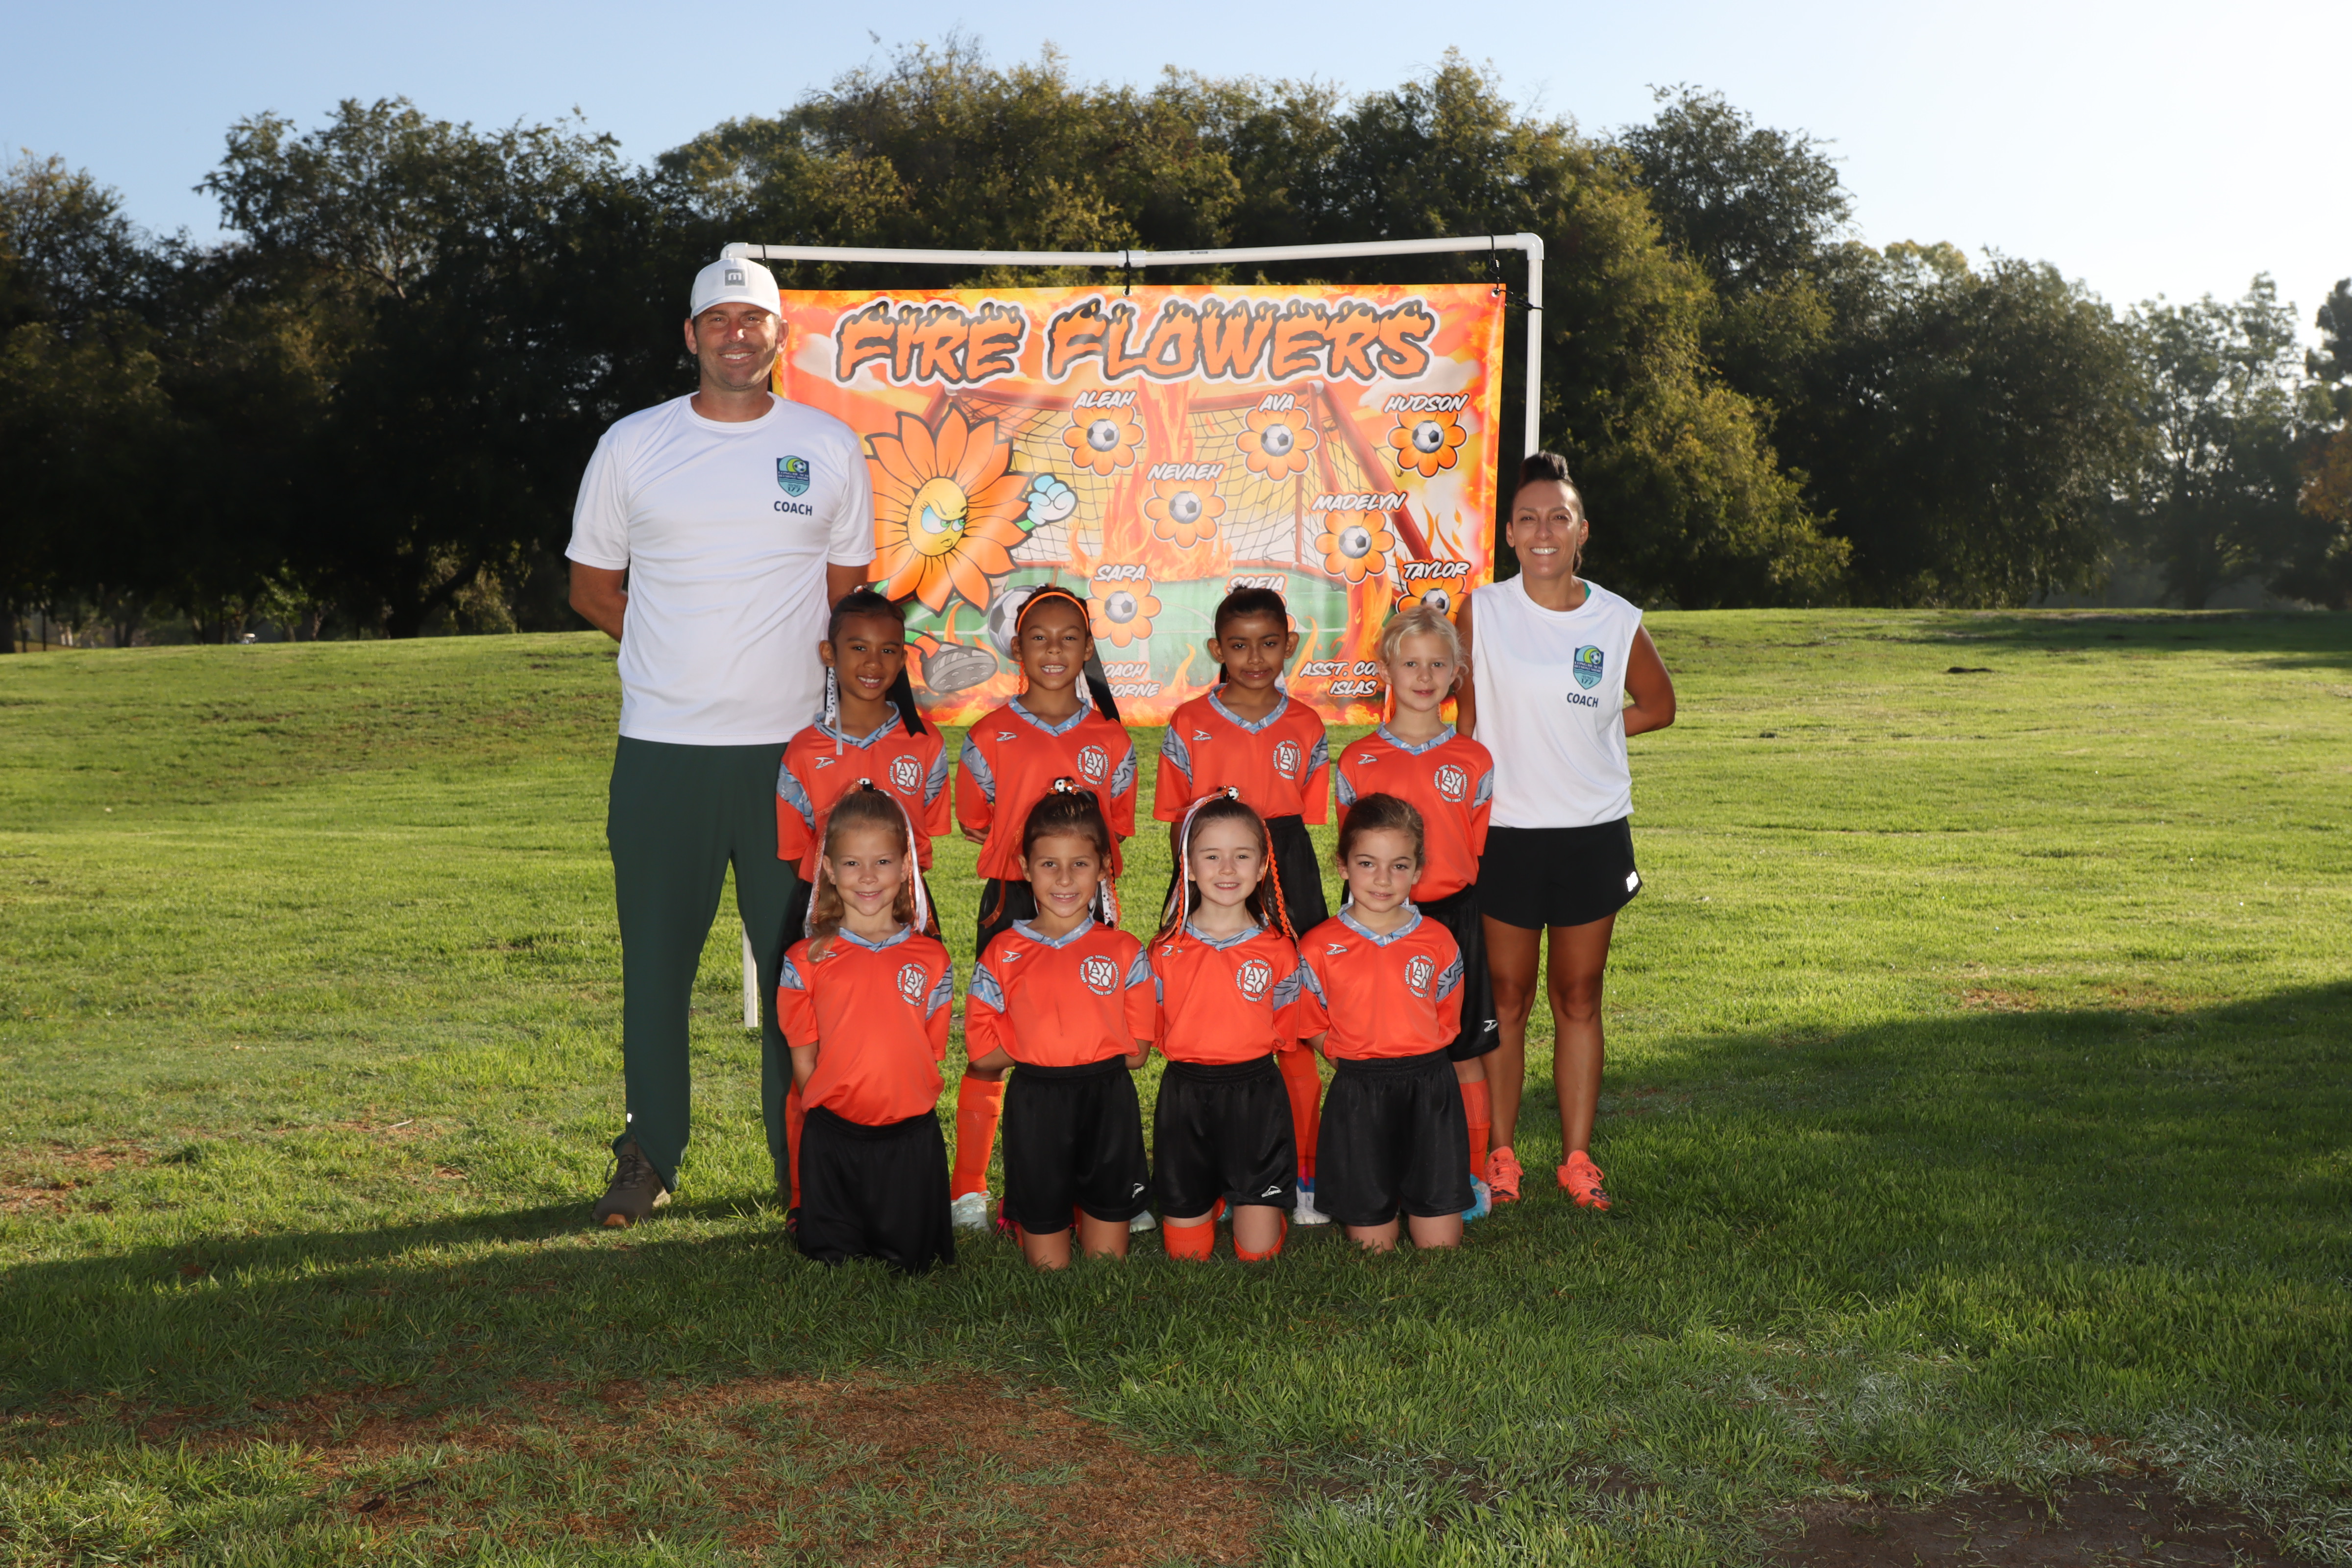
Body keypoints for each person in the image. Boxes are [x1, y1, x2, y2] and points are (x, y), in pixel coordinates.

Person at [566, 256, 875, 1228]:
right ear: (690, 335)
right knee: (656, 969)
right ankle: (649, 1155)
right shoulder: (633, 444)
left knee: (798, 971)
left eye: (754, 320)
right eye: (718, 320)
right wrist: (670, 652)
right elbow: (591, 588)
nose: (736, 336)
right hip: (663, 751)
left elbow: (848, 605)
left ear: (781, 335)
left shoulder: (827, 446)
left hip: (793, 758)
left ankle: (803, 1165)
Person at [1456, 451, 1677, 1210]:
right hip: (1508, 832)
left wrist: (1594, 738)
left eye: (1559, 517)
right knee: (1508, 998)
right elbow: (1466, 722)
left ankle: (1578, 1159)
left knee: (1579, 995)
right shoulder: (1483, 612)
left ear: (1582, 531)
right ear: (1510, 534)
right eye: (1529, 519)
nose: (1543, 531)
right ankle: (1502, 1155)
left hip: (1590, 832)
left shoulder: (1616, 620)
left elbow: (1658, 705)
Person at [949, 587, 1136, 1225]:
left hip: (1087, 902)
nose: (1053, 650)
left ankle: (1093, 1182)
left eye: (1068, 638)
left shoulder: (1111, 738)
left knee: (1088, 1037)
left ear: (1087, 649)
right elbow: (976, 820)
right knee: (994, 1042)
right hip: (1013, 893)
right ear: (1016, 647)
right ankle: (970, 1189)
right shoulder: (988, 734)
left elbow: (1115, 827)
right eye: (1038, 637)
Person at [1154, 585, 1332, 1225]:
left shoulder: (1307, 724)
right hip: (1212, 865)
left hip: (1284, 858)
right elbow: (1179, 821)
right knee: (1214, 1001)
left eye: (1269, 644)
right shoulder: (1188, 722)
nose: (1255, 658)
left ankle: (1301, 1171)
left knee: (1292, 1017)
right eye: (1239, 645)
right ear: (1216, 649)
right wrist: (1194, 878)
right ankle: (1211, 1167)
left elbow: (1304, 815)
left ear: (1290, 644)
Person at [773, 588, 949, 1218]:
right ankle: (808, 1196)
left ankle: (908, 1183)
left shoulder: (924, 743)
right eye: (857, 648)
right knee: (813, 1050)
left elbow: (924, 840)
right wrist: (831, 909)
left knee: (903, 1040)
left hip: (904, 906)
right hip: (823, 909)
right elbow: (798, 847)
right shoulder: (804, 749)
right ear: (830, 654)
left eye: (889, 650)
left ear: (903, 659)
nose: (873, 663)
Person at [1336, 605, 1499, 1220]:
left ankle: (1472, 1175)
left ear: (1457, 673)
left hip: (1452, 916)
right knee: (1378, 1046)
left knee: (1462, 1046)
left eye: (1437, 664)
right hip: (1375, 920)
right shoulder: (1358, 760)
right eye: (1410, 663)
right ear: (1386, 669)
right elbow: (1354, 850)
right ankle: (1378, 1166)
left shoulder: (1474, 759)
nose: (1424, 676)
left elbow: (1475, 846)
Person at [961, 784, 1155, 1270]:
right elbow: (981, 1055)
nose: (1065, 878)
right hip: (1035, 1101)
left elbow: (1137, 1053)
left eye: (1080, 864)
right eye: (1049, 864)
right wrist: (1041, 1044)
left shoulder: (1125, 950)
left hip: (1108, 1101)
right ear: (1025, 868)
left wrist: (1073, 1040)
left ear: (1104, 868)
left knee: (1106, 1262)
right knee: (1048, 1268)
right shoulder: (1003, 952)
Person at [778, 787, 956, 1273]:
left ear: (905, 867)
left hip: (910, 1137)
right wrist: (832, 1120)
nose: (869, 876)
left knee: (915, 1262)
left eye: (882, 861)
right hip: (834, 1136)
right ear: (830, 870)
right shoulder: (805, 960)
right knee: (831, 1260)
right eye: (852, 863)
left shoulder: (932, 959)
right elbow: (803, 1056)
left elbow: (929, 1048)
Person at [1294, 794, 1470, 1252]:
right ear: (1343, 866)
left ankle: (1436, 1199)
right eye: (1368, 863)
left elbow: (1448, 1013)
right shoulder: (1319, 945)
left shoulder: (1438, 940)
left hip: (1429, 1088)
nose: (1383, 879)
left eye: (1399, 866)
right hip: (1359, 1091)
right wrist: (1346, 1056)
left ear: (1418, 870)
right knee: (1374, 1247)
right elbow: (1309, 1020)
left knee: (1440, 1246)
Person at [1147, 791, 1310, 1263]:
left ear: (1262, 868)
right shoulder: (1164, 950)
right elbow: (1154, 1027)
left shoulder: (1279, 949)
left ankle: (1251, 1200)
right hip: (1184, 1095)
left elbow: (1285, 1027)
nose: (1227, 869)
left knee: (1258, 1254)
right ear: (1188, 867)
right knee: (1186, 1256)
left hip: (1256, 1094)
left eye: (1242, 856)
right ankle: (1211, 1194)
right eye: (1212, 856)